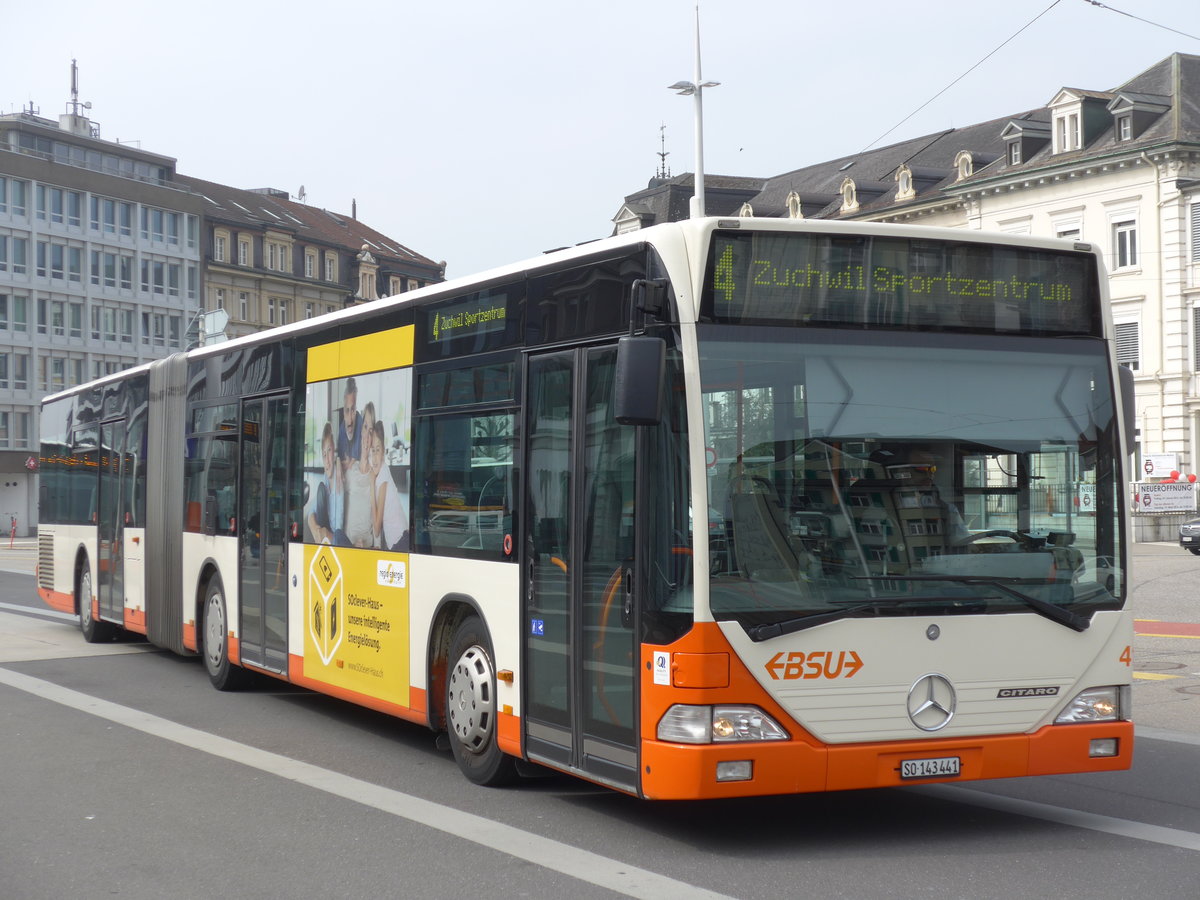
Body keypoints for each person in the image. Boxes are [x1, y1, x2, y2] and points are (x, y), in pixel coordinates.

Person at [370, 420, 409, 551]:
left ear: (383, 452)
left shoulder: (382, 479)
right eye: (372, 450)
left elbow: (376, 529)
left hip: (400, 542)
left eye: (378, 450)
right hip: (399, 539)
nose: (374, 457)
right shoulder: (382, 471)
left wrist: (371, 484)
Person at [342, 402, 377, 548]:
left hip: (367, 546)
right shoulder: (350, 471)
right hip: (348, 545)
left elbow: (377, 516)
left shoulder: (375, 474)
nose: (367, 436)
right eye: (365, 427)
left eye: (371, 431)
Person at [307, 423, 342, 544]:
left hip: (337, 540)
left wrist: (326, 534)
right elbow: (311, 511)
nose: (327, 461)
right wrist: (315, 528)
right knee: (321, 488)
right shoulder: (326, 479)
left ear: (335, 451)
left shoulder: (340, 479)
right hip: (327, 536)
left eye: (329, 450)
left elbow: (339, 532)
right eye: (324, 455)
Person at [336, 377, 363, 474]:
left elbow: (354, 459)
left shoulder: (360, 422)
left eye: (353, 410)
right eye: (347, 411)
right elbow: (341, 457)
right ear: (343, 411)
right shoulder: (342, 427)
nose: (350, 420)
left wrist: (349, 463)